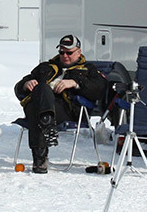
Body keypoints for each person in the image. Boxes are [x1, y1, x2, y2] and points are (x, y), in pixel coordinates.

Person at [13, 33, 106, 174]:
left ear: (79, 52)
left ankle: (40, 158)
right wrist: (26, 84)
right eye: (62, 52)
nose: (65, 56)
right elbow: (18, 87)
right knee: (41, 90)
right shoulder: (46, 67)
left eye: (69, 52)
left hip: (66, 110)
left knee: (35, 108)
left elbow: (100, 88)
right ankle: (47, 122)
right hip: (39, 106)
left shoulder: (88, 69)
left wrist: (75, 83)